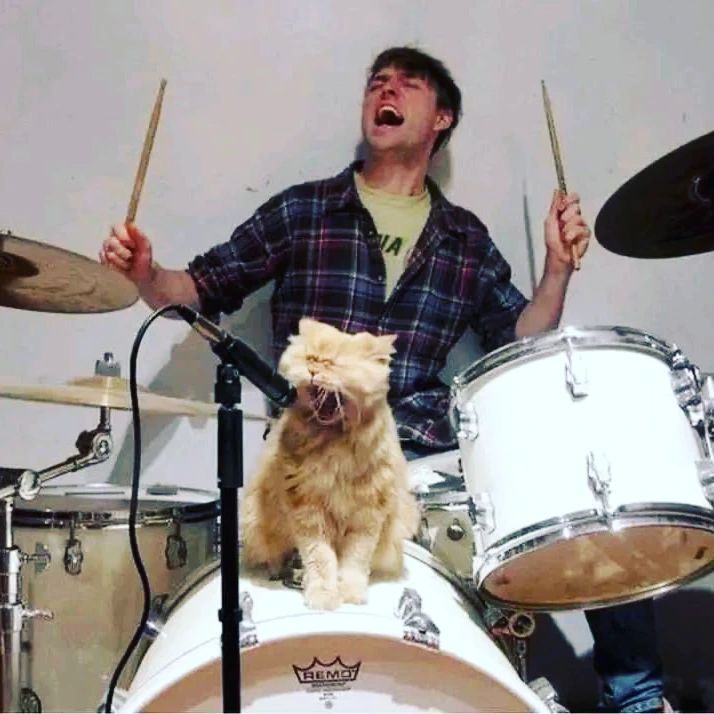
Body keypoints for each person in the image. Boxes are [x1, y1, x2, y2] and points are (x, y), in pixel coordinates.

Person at [100, 46, 666, 713]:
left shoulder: (464, 239)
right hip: (318, 457)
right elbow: (196, 290)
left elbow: (520, 341)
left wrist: (557, 268)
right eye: (377, 83)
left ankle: (637, 699)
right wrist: (145, 272)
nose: (385, 91)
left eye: (407, 84)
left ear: (441, 118)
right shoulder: (305, 211)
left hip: (427, 459)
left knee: (593, 485)